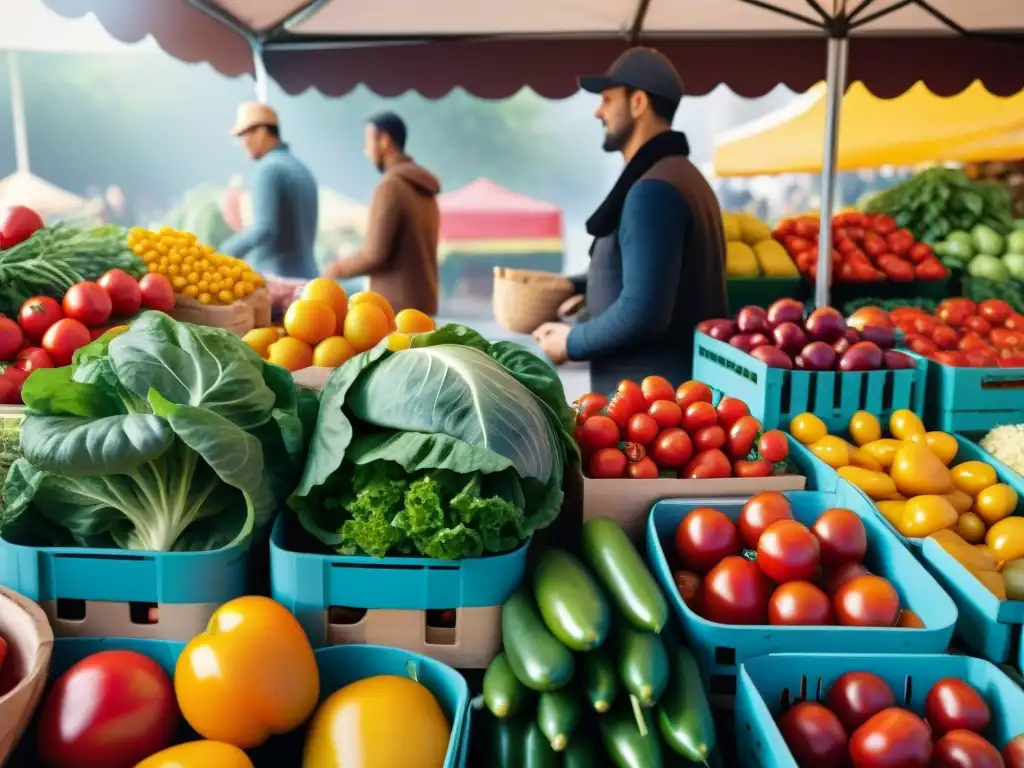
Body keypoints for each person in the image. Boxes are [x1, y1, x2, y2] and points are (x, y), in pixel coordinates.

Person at [533, 47, 728, 394]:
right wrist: (582, 286)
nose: (598, 111)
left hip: (649, 409)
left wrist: (570, 341)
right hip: (664, 402)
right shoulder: (682, 176)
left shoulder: (653, 190)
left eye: (608, 99)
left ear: (638, 103)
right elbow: (656, 272)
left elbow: (643, 312)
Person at [323, 112, 441, 315]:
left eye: (368, 142)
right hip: (424, 304)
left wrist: (335, 270)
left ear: (385, 141)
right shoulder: (424, 189)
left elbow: (374, 254)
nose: (366, 151)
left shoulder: (390, 187)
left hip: (395, 310)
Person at [219, 102, 319, 280]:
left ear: (262, 131)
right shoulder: (302, 169)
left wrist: (221, 253)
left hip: (280, 285)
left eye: (244, 135)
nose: (243, 143)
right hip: (309, 280)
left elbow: (264, 228)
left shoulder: (268, 169)